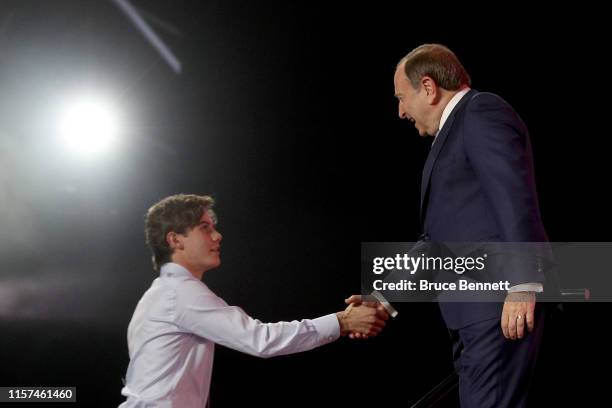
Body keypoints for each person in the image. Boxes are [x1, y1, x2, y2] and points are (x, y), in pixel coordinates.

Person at [348, 44, 549, 407]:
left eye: (401, 97)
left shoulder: (481, 112)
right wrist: (382, 299)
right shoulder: (453, 134)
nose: (400, 111)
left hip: (497, 309)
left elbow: (515, 199)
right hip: (475, 317)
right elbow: (435, 241)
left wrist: (523, 284)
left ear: (428, 87)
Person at [119, 194, 388, 407]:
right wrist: (342, 321)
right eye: (205, 228)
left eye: (214, 227)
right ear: (175, 240)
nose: (217, 235)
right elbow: (260, 339)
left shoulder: (160, 294)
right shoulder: (179, 292)